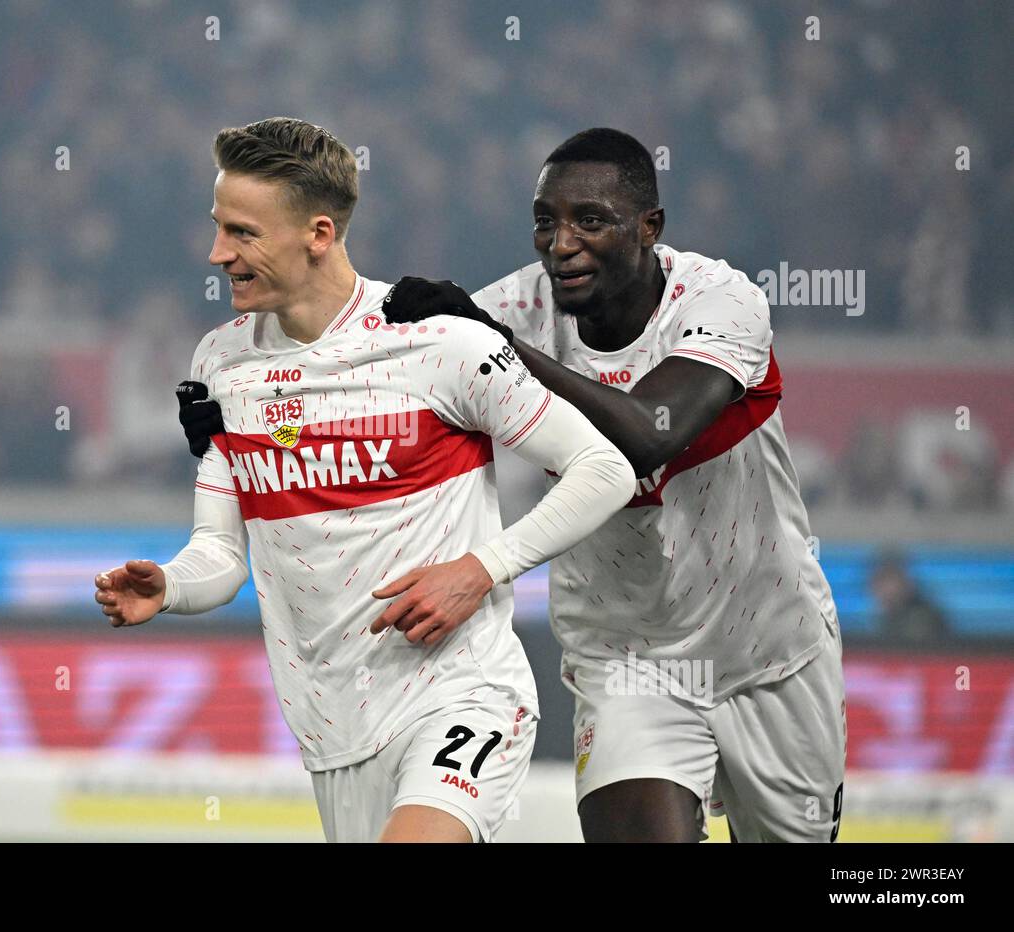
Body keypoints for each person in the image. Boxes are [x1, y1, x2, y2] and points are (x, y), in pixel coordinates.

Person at [181, 128, 847, 843]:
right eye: (545, 221)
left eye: (589, 220)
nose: (560, 243)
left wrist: (502, 343)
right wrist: (244, 417)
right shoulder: (509, 309)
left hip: (772, 647)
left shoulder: (720, 301)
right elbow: (375, 356)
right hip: (626, 659)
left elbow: (650, 433)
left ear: (650, 227)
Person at [100, 118, 636, 843]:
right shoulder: (221, 364)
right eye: (219, 228)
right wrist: (169, 586)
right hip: (333, 729)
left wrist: (482, 568)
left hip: (462, 694)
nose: (218, 253)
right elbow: (222, 556)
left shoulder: (437, 341)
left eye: (243, 234)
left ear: (318, 234)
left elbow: (604, 468)